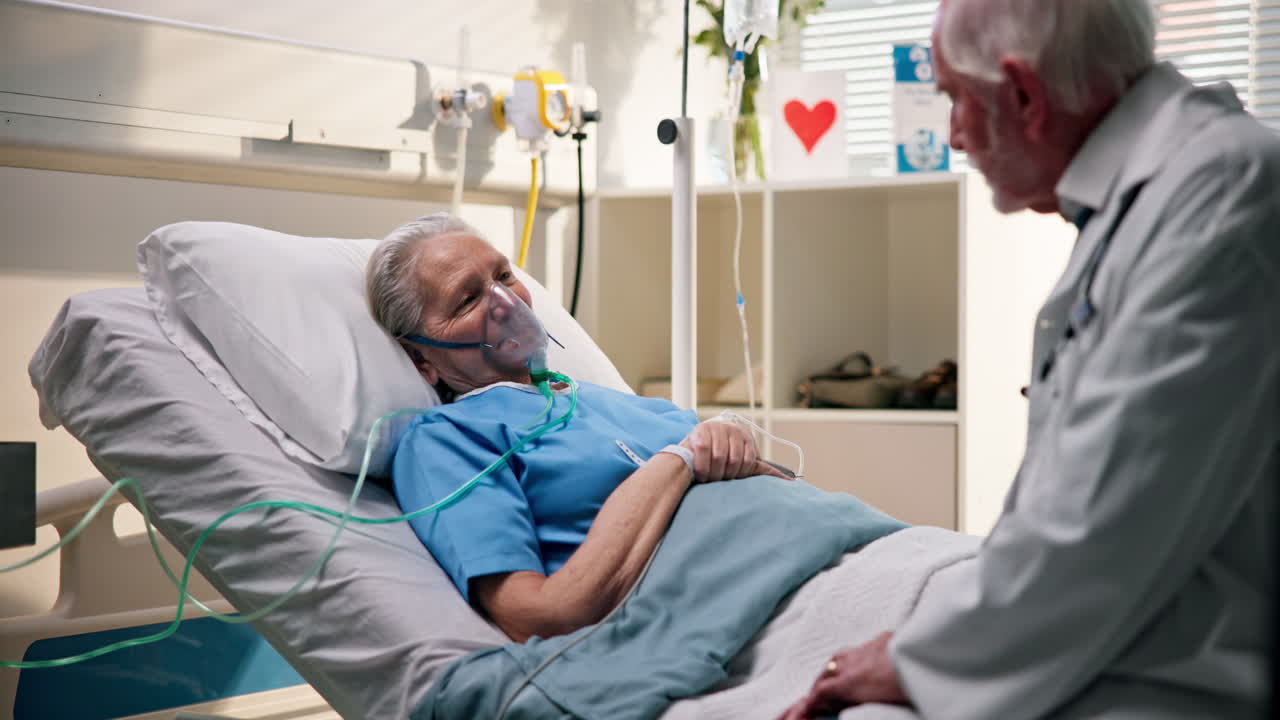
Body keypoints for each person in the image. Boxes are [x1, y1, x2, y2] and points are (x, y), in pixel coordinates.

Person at [780, 0, 1280, 718]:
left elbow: (1101, 528)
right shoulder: (1160, 195)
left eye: (955, 98)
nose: (952, 135)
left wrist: (911, 660)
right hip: (1112, 644)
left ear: (1023, 97)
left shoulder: (1224, 195)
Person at [365, 213, 790, 644]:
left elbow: (779, 492)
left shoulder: (638, 408)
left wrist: (735, 449)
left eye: (504, 275)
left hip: (808, 553)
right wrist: (678, 463)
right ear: (422, 360)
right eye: (467, 300)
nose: (504, 301)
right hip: (736, 609)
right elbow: (535, 616)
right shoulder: (448, 441)